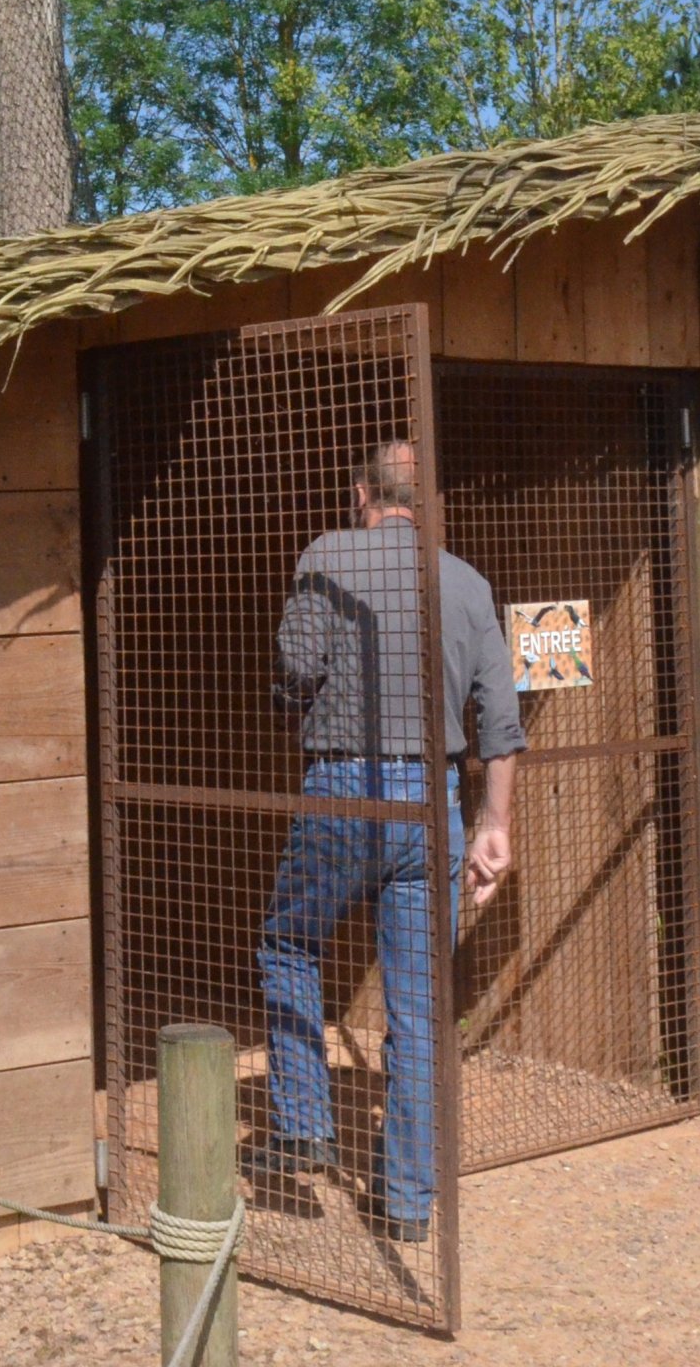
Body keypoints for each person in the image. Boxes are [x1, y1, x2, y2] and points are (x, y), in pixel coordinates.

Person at [251, 437, 521, 1241]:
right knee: (418, 1007)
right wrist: (494, 826)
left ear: (358, 495)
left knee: (287, 943)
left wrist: (291, 694)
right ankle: (405, 1202)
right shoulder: (468, 584)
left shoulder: (329, 556)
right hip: (430, 801)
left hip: (343, 792)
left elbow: (294, 669)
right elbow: (499, 729)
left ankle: (302, 1122)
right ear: (422, 501)